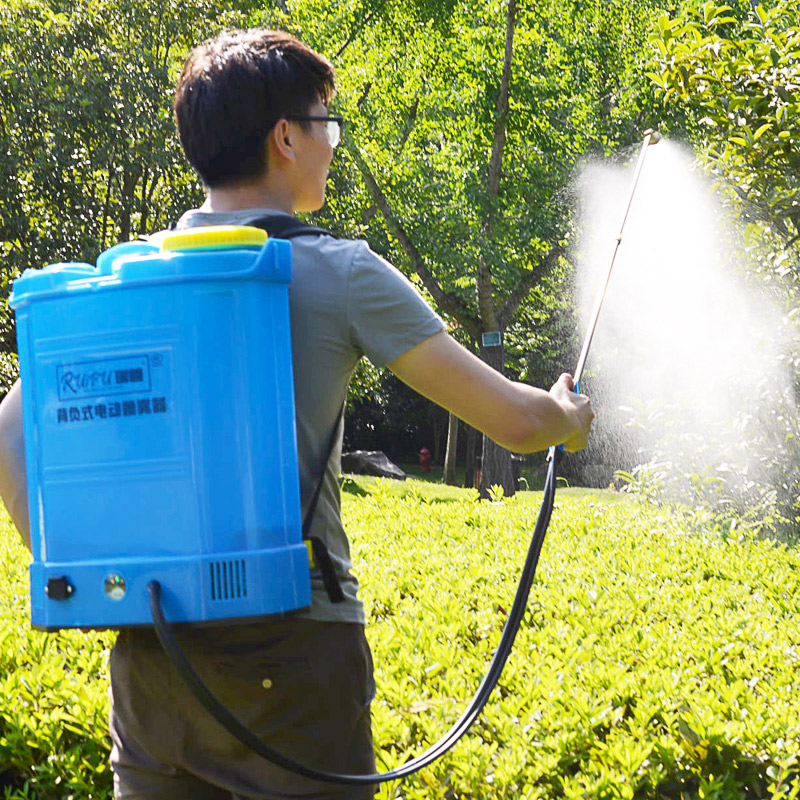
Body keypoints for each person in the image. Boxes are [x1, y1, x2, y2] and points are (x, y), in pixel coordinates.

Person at [0, 28, 593, 800]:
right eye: (326, 124)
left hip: (155, 656)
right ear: (285, 137)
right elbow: (515, 423)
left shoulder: (131, 278)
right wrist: (566, 414)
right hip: (297, 652)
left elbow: (10, 429)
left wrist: (71, 556)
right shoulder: (340, 271)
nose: (332, 144)